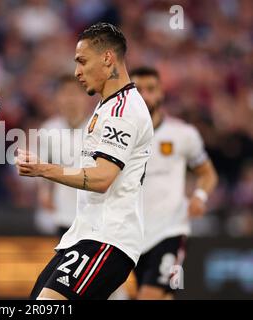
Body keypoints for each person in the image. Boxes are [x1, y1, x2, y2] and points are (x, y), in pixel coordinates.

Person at [15, 22, 154, 300]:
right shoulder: (108, 106)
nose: (77, 72)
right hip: (85, 235)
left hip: (107, 239)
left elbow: (102, 178)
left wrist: (43, 170)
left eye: (82, 61)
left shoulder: (123, 111)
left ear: (107, 58)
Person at [130, 66, 218, 299]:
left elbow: (208, 173)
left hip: (170, 229)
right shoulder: (120, 136)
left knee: (148, 296)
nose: (145, 95)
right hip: (132, 235)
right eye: (138, 90)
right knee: (164, 296)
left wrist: (199, 197)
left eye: (151, 89)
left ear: (161, 93)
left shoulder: (183, 134)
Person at [37, 74, 90, 237]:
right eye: (65, 93)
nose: (70, 99)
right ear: (57, 98)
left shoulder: (99, 129)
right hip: (63, 214)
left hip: (93, 215)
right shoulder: (48, 130)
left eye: (75, 93)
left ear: (86, 97)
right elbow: (43, 167)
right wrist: (44, 192)